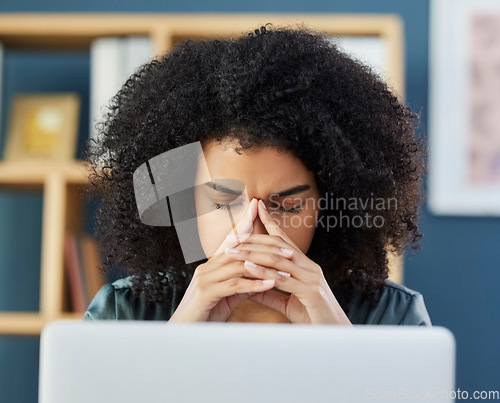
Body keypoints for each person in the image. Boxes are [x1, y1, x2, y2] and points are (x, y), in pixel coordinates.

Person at [83, 25, 431, 325]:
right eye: (221, 201)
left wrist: (336, 335)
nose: (253, 228)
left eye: (290, 205)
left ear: (325, 206)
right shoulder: (122, 312)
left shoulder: (392, 316)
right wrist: (181, 333)